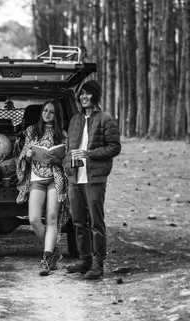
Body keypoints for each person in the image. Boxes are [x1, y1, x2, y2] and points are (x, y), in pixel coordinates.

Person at [63, 80, 121, 280]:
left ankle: (98, 262)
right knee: (78, 221)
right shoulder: (75, 120)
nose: (83, 97)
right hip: (75, 177)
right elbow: (70, 146)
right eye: (81, 94)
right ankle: (84, 258)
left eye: (87, 94)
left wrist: (90, 154)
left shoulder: (106, 119)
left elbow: (114, 147)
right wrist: (67, 164)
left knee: (96, 222)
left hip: (94, 177)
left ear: (95, 96)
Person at [16, 99, 70, 276]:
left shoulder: (62, 134)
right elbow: (23, 155)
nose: (47, 114)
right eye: (45, 110)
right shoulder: (32, 130)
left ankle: (46, 258)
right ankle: (54, 251)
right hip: (36, 178)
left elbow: (66, 159)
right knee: (33, 219)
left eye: (51, 112)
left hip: (55, 178)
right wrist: (29, 155)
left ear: (57, 115)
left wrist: (57, 159)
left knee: (52, 218)